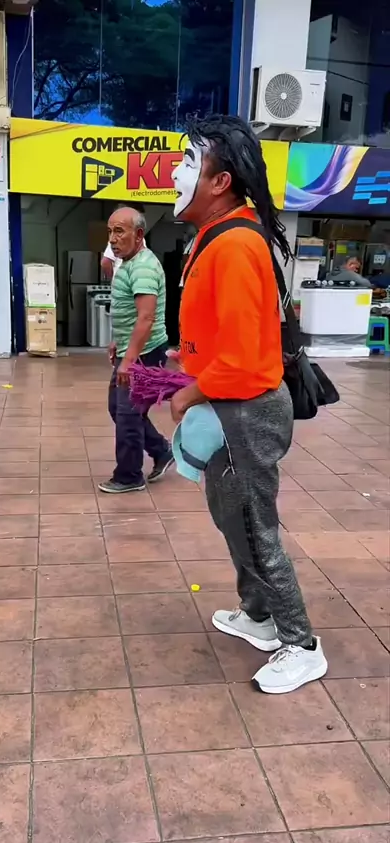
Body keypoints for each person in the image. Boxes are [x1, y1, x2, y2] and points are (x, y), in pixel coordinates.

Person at [169, 114, 328, 694]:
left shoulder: (235, 243)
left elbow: (238, 360)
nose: (175, 173)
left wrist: (187, 393)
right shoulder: (218, 235)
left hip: (247, 410)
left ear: (220, 182)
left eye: (189, 163)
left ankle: (301, 645)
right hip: (231, 407)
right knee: (232, 518)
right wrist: (187, 360)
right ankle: (258, 615)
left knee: (256, 528)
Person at [98, 206, 174, 494]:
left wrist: (129, 360)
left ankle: (129, 476)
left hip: (144, 354)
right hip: (134, 349)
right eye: (110, 232)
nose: (112, 239)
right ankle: (161, 451)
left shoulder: (142, 267)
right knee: (118, 408)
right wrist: (119, 341)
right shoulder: (128, 263)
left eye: (119, 231)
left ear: (139, 234)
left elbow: (146, 317)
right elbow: (131, 313)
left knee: (128, 414)